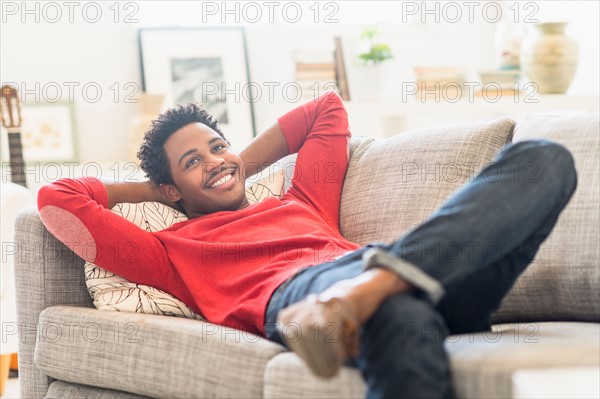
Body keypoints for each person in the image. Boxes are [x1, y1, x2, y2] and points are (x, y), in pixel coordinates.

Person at [38, 91, 577, 399]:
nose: (215, 161)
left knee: (545, 161)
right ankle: (373, 295)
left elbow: (326, 109)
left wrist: (231, 164)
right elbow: (57, 199)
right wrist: (161, 192)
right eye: (192, 161)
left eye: (217, 147)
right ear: (171, 188)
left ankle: (370, 291)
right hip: (306, 295)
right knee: (396, 318)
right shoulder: (166, 251)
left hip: (397, 278)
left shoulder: (301, 201)